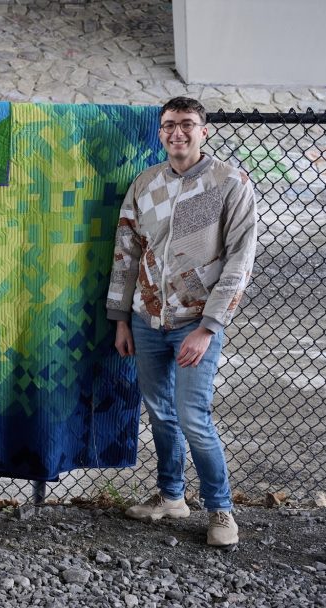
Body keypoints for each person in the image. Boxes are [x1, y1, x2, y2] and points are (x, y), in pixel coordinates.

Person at [106, 96, 258, 547]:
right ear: (160, 132)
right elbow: (126, 252)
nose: (178, 133)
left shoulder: (229, 182)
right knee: (161, 414)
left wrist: (208, 327)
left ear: (203, 130)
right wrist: (121, 319)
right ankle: (171, 496)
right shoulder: (146, 183)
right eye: (170, 125)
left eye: (187, 124)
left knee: (193, 416)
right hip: (146, 320)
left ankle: (221, 511)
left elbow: (240, 259)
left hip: (196, 323)